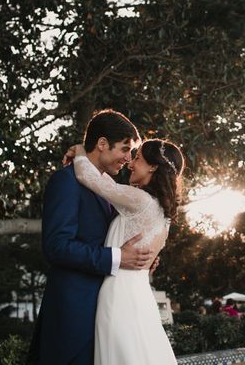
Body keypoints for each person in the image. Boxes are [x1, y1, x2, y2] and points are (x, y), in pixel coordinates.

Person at [28, 110, 157, 365]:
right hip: (74, 315)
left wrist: (140, 259)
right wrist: (119, 257)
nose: (128, 160)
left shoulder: (107, 187)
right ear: (102, 144)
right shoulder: (66, 181)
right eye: (125, 149)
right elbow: (56, 246)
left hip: (106, 313)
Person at [68, 138, 185, 364]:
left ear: (153, 166)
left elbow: (88, 177)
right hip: (140, 297)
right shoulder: (164, 215)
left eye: (138, 158)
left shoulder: (141, 200)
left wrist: (82, 149)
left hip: (118, 295)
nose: (130, 164)